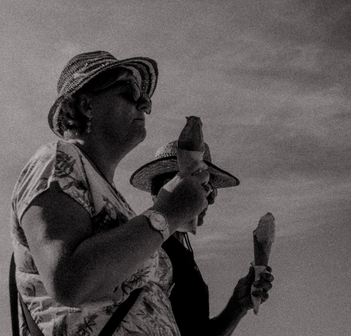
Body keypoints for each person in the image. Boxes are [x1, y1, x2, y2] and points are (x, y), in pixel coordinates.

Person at [10, 51, 211, 336]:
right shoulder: (57, 160)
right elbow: (68, 281)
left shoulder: (115, 201)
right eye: (128, 91)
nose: (145, 103)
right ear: (85, 104)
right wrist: (167, 212)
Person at [130, 141, 274, 336]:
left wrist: (237, 306)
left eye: (211, 190)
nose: (212, 199)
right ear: (172, 186)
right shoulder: (146, 244)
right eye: (204, 186)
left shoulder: (182, 251)